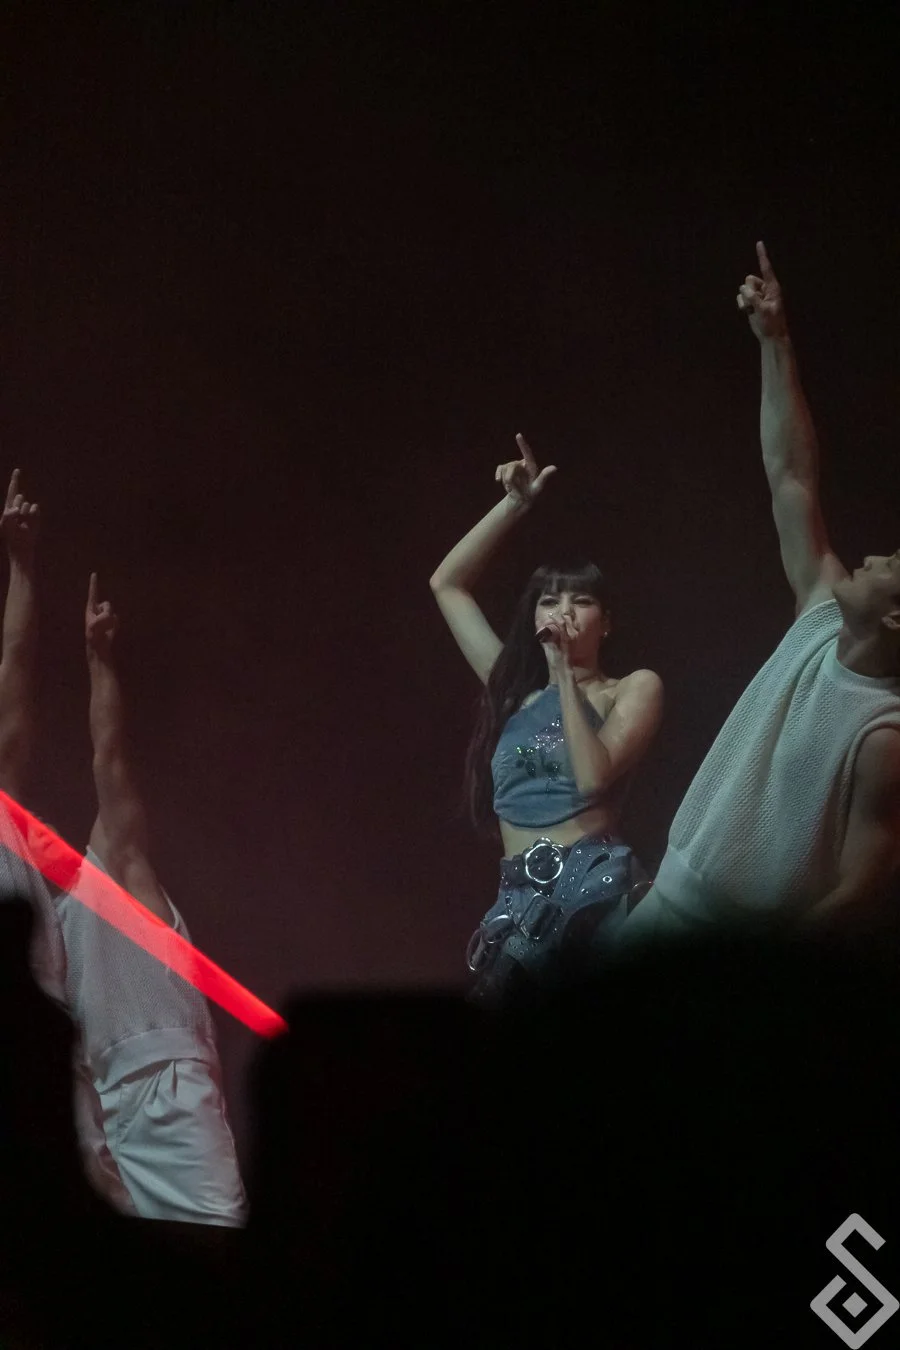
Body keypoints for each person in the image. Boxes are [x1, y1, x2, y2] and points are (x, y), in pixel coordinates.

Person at [619, 242, 900, 947]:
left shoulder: (883, 737)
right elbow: (791, 476)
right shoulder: (821, 612)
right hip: (662, 904)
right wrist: (775, 342)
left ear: (897, 616)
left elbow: (861, 888)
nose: (871, 556)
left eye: (891, 565)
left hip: (727, 953)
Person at [430, 436, 663, 1005]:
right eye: (549, 600)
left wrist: (563, 674)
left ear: (606, 622)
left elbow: (593, 776)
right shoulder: (514, 693)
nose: (562, 612)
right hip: (519, 905)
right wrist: (513, 506)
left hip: (598, 897)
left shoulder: (632, 687)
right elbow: (447, 585)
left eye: (580, 601)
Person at [58, 570, 249, 1224]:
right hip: (96, 1114)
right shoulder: (31, 921)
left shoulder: (113, 869)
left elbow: (108, 757)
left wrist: (98, 660)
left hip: (169, 1090)